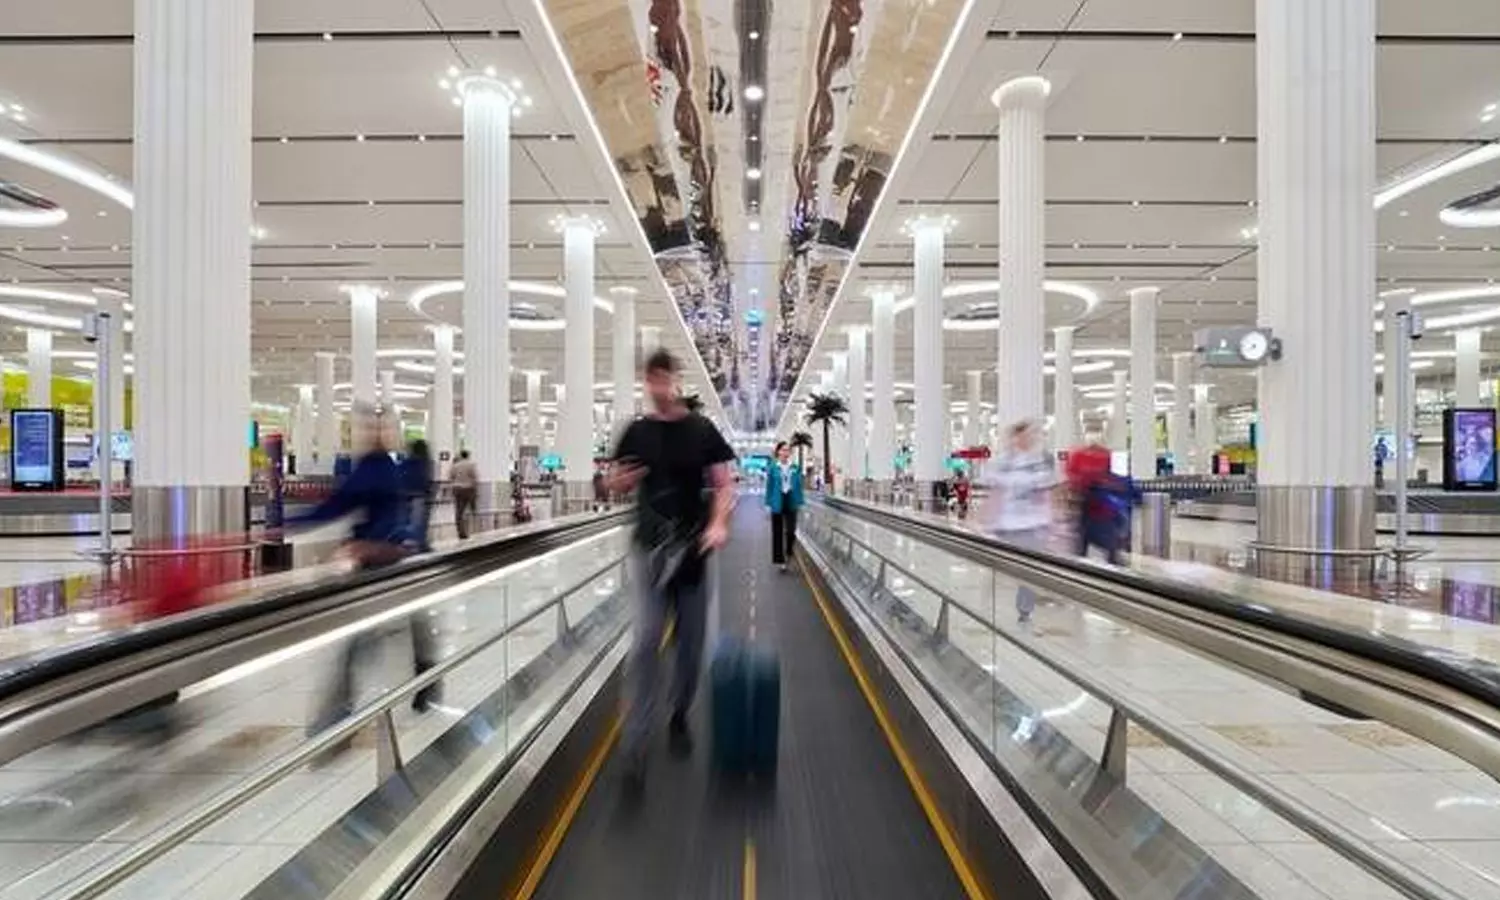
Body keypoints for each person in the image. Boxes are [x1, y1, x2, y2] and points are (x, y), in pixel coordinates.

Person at [607, 348, 735, 792]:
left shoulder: (701, 430)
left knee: (691, 644)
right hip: (649, 550)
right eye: (651, 380)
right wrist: (621, 482)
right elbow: (613, 481)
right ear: (646, 381)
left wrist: (718, 523)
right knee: (646, 640)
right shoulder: (636, 432)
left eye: (664, 379)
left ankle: (680, 709)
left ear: (675, 381)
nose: (658, 388)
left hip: (693, 552)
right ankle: (635, 743)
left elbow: (723, 484)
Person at [290, 407, 441, 733]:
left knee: (378, 632)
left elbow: (408, 509)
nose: (375, 434)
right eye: (369, 429)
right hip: (384, 562)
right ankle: (343, 710)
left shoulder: (394, 469)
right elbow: (336, 506)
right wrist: (288, 524)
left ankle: (342, 712)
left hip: (389, 561)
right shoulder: (376, 470)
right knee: (366, 635)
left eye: (381, 428)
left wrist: (394, 541)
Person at [980, 420, 1056, 622]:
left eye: (1032, 435)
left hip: (1031, 526)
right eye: (1024, 435)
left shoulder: (1039, 463)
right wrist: (986, 521)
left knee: (1029, 572)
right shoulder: (1003, 463)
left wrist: (1050, 523)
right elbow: (995, 493)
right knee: (1000, 570)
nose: (1029, 439)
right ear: (1015, 437)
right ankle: (985, 607)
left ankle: (1024, 610)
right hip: (1007, 527)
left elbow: (1045, 494)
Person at [765, 440, 805, 572]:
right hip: (777, 500)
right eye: (783, 450)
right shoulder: (772, 467)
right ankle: (780, 560)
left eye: (788, 450)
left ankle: (788, 552)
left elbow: (799, 486)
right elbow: (769, 486)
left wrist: (800, 502)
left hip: (791, 500)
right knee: (777, 531)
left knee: (791, 531)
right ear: (778, 452)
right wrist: (768, 503)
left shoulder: (795, 467)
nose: (785, 452)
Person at [400, 439, 435, 552]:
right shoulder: (426, 463)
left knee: (408, 520)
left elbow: (400, 476)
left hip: (405, 495)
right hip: (420, 495)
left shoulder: (405, 462)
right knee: (419, 521)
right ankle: (419, 543)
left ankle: (410, 543)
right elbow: (427, 479)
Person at [450, 450, 478, 539]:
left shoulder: (455, 465)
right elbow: (474, 478)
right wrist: (475, 490)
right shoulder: (471, 465)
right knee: (470, 510)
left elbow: (451, 477)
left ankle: (461, 532)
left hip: (457, 489)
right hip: (468, 489)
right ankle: (473, 528)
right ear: (468, 456)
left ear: (461, 456)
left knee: (459, 512)